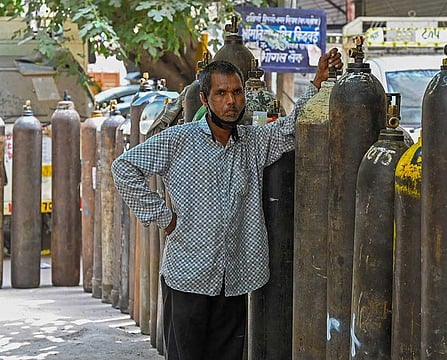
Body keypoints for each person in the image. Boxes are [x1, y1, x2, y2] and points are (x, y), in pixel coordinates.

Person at [111, 48, 343, 360]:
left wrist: (316, 83)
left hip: (234, 278)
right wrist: (163, 217)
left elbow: (291, 127)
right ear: (205, 100)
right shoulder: (179, 139)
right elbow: (124, 168)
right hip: (188, 276)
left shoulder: (253, 142)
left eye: (236, 92)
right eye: (221, 93)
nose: (231, 101)